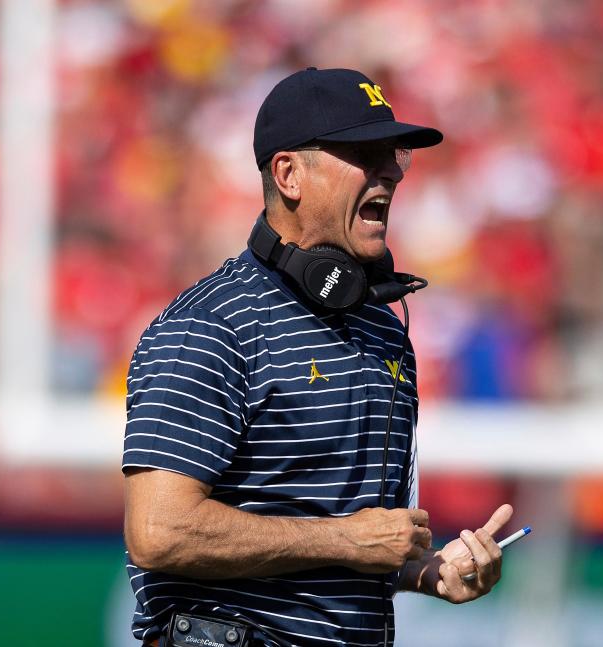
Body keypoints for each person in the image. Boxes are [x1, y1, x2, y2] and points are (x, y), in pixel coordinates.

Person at [122, 67, 514, 647]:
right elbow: (159, 531)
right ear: (289, 174)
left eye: (395, 156)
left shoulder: (383, 332)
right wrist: (346, 540)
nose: (390, 172)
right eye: (364, 153)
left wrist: (424, 571)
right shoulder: (212, 324)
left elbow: (356, 541)